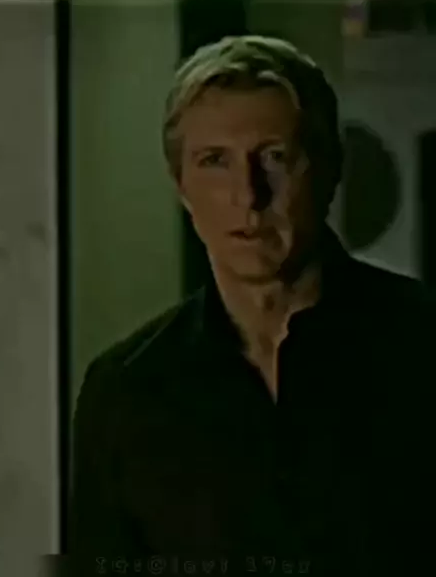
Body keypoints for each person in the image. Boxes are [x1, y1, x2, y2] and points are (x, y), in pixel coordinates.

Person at [69, 35, 435, 576]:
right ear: (181, 185)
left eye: (274, 158)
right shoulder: (126, 391)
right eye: (214, 161)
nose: (248, 195)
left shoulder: (422, 345)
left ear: (330, 168)